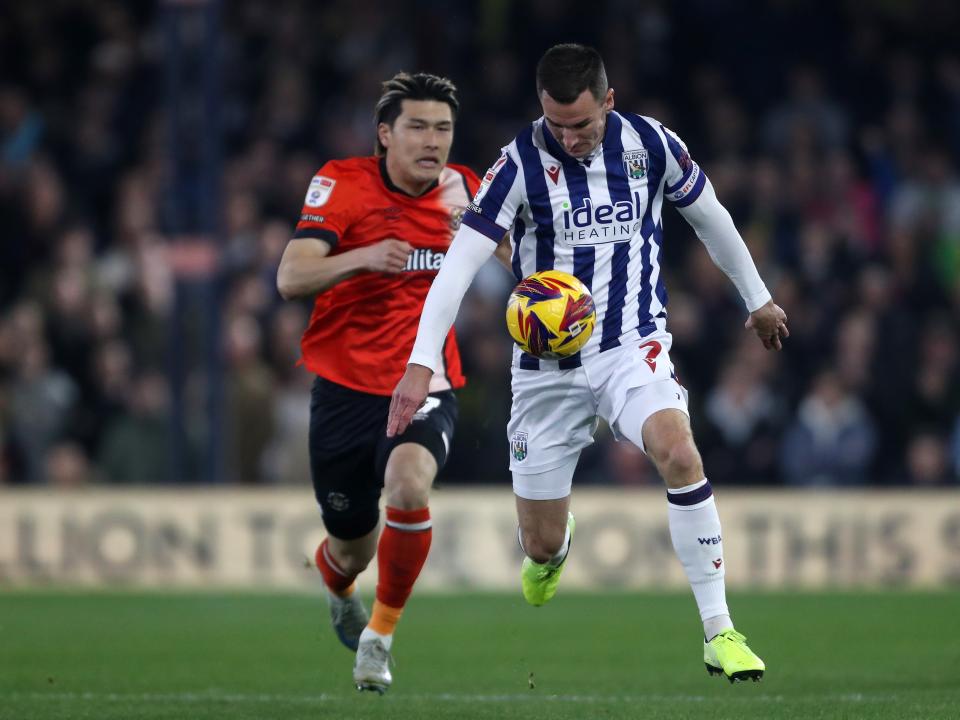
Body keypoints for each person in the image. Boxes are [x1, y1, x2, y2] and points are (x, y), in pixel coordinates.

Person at [389, 44, 789, 683]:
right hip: (544, 368)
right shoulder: (519, 161)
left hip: (630, 345)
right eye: (557, 125)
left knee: (679, 453)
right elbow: (459, 265)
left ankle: (720, 631)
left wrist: (759, 299)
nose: (569, 139)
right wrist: (420, 362)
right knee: (541, 542)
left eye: (582, 124)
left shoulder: (651, 145)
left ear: (609, 101)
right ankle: (552, 550)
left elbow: (711, 219)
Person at [277, 72, 493, 693]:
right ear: (385, 134)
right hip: (345, 390)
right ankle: (337, 580)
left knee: (407, 486)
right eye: (418, 127)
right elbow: (291, 278)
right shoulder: (342, 184)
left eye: (443, 129)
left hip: (425, 383)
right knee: (351, 549)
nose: (433, 142)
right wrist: (362, 257)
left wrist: (497, 253)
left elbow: (523, 258)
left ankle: (380, 637)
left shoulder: (467, 190)